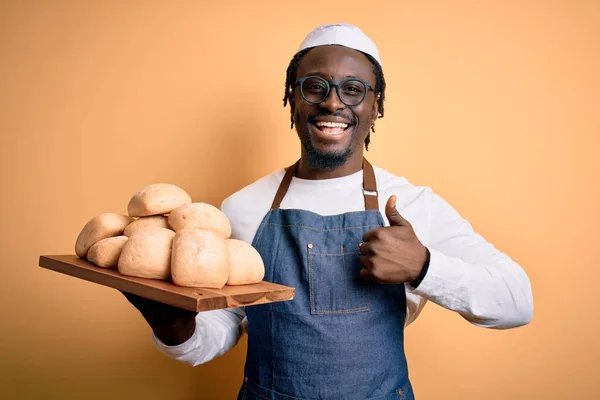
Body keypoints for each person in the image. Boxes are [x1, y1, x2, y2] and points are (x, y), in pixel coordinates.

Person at [123, 23, 533, 400]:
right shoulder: (244, 206)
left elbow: (517, 301)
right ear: (291, 99)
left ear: (377, 107)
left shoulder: (410, 204)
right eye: (315, 87)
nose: (333, 102)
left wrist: (424, 266)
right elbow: (224, 329)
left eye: (353, 89)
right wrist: (174, 328)